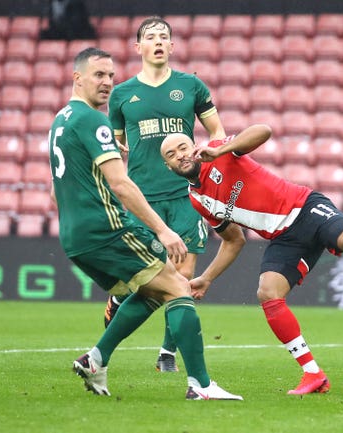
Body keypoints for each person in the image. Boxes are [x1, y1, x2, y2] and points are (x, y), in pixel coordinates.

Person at [159, 124, 343, 395]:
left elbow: (264, 131)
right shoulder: (197, 200)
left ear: (193, 146)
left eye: (182, 147)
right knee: (268, 291)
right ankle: (313, 374)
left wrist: (223, 149)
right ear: (168, 167)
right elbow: (234, 240)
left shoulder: (218, 151)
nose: (180, 155)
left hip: (305, 207)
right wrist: (207, 278)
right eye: (171, 154)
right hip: (285, 237)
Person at [50, 47, 241, 400]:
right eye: (98, 75)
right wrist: (163, 230)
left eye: (110, 75)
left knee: (153, 291)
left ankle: (95, 360)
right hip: (106, 229)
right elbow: (121, 185)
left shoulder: (60, 121)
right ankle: (200, 385)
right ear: (77, 78)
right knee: (178, 287)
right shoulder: (93, 120)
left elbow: (53, 190)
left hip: (73, 236)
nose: (107, 82)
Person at [106, 16, 227, 373]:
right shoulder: (122, 94)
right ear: (138, 47)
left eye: (164, 37)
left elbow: (217, 130)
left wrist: (211, 151)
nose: (158, 41)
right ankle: (118, 296)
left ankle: (167, 353)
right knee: (144, 278)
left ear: (172, 47)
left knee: (183, 275)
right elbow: (117, 140)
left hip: (186, 194)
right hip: (142, 198)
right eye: (150, 37)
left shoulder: (191, 86)